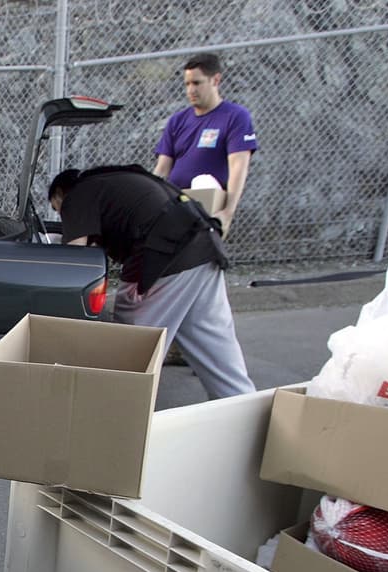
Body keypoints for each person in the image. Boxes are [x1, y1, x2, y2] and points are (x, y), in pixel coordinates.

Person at [48, 165, 255, 400]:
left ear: (59, 195)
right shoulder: (115, 180)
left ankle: (117, 411)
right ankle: (243, 406)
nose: (62, 216)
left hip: (166, 257)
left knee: (133, 341)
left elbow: (75, 255)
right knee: (214, 344)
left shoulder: (77, 195)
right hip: (204, 245)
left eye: (58, 210)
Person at [152, 53, 257, 239]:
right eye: (187, 84)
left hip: (207, 208)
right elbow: (162, 169)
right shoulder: (177, 121)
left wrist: (227, 212)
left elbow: (238, 166)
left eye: (197, 83)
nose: (191, 90)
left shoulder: (234, 117)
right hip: (176, 206)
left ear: (215, 80)